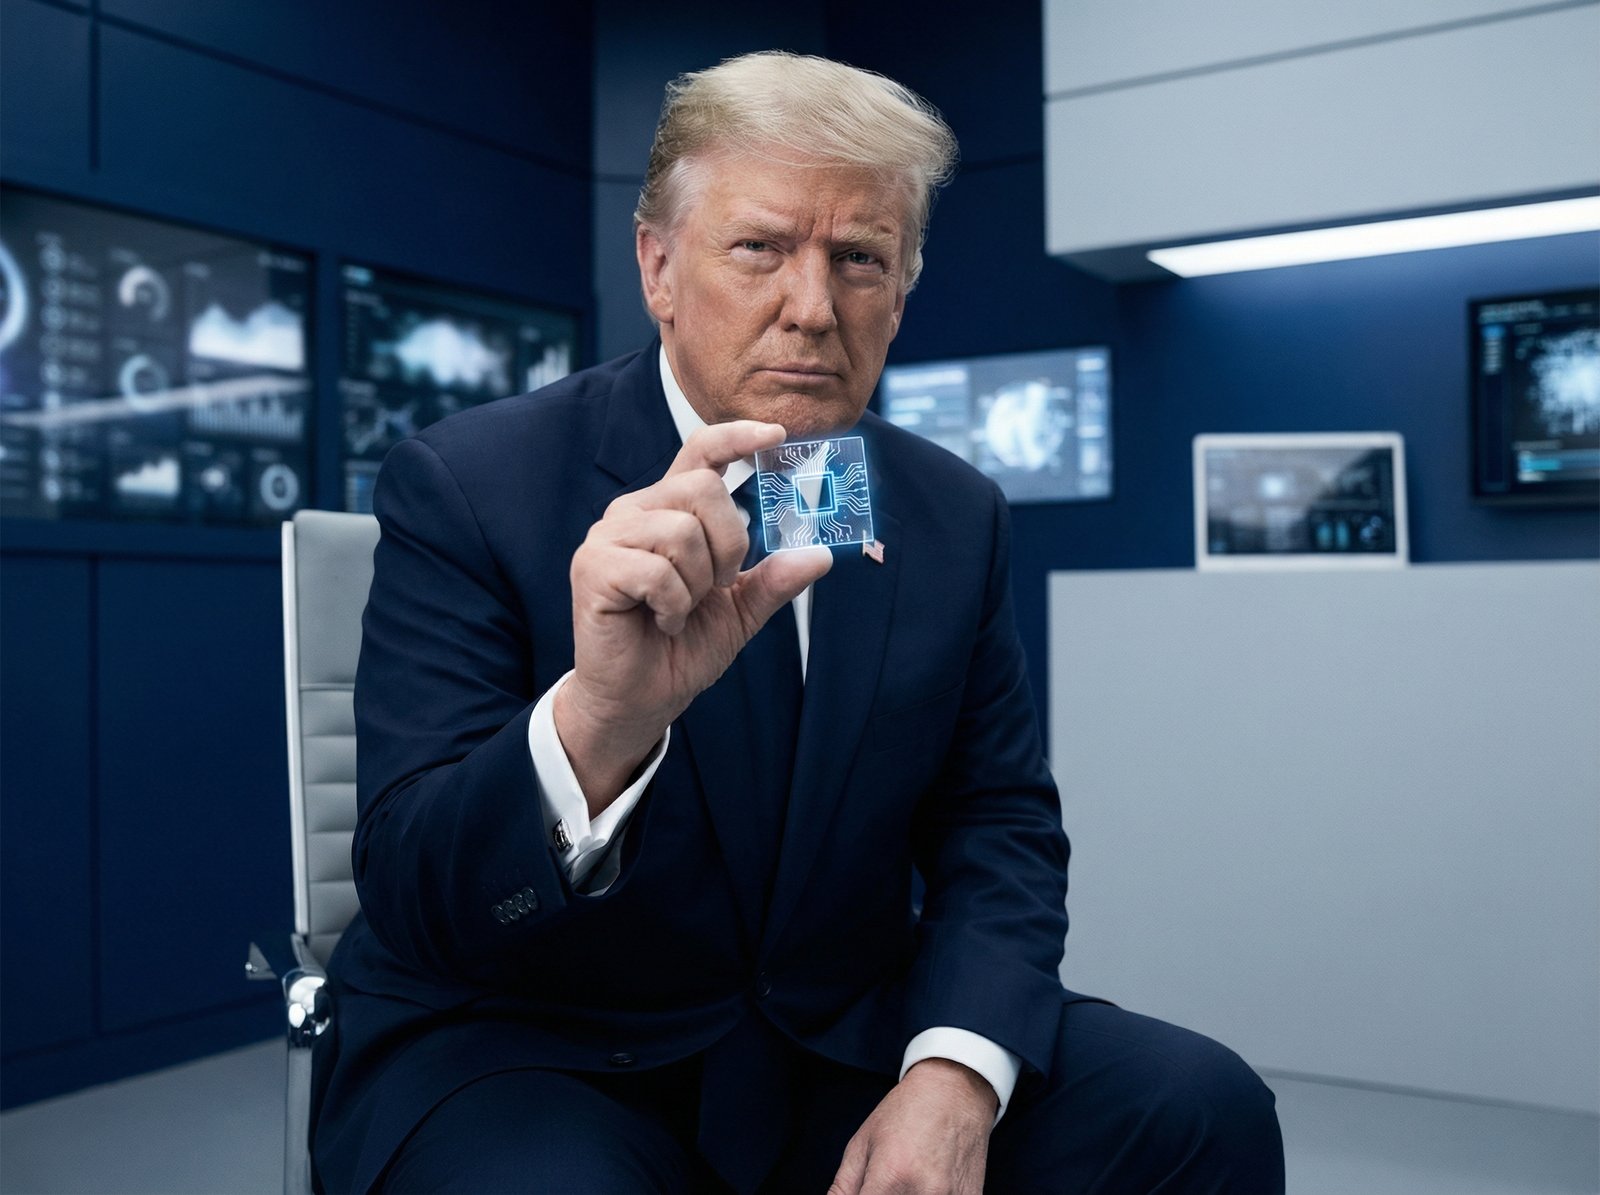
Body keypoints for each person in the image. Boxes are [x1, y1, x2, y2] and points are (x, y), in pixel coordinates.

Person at [311, 50, 1285, 1195]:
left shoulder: (951, 513)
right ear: (659, 266)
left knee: (1197, 1108)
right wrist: (600, 721)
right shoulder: (473, 482)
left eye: (860, 259)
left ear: (902, 292)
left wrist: (955, 1070)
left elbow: (997, 825)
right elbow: (419, 895)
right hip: (538, 1041)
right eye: (760, 248)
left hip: (836, 1040)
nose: (812, 309)